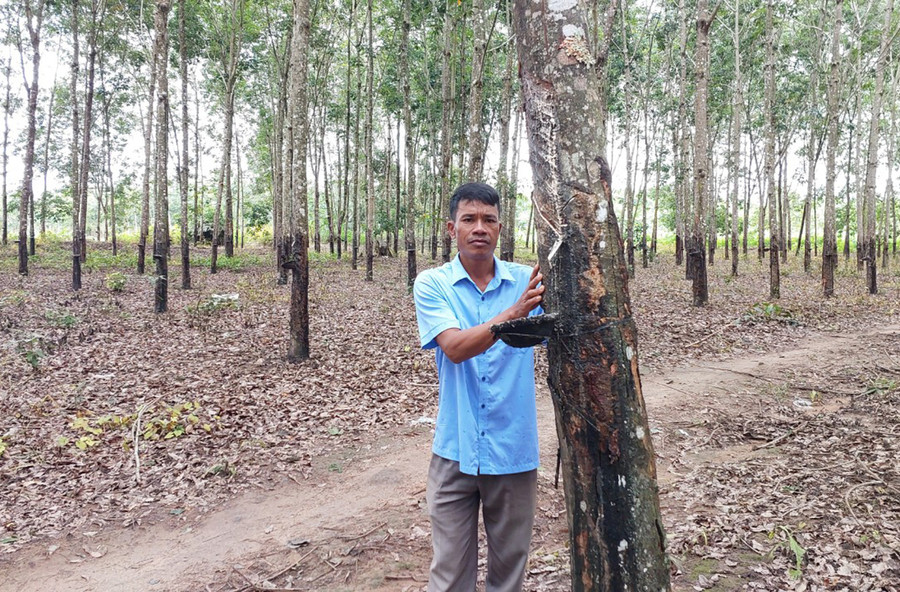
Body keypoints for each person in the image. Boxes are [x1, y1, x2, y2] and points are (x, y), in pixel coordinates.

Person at [413, 182, 545, 592]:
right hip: (456, 448)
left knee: (509, 573)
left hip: (513, 450)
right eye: (469, 219)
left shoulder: (528, 281)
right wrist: (513, 314)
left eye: (489, 219)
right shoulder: (432, 284)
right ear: (451, 228)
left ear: (500, 228)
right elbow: (454, 348)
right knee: (450, 573)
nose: (479, 228)